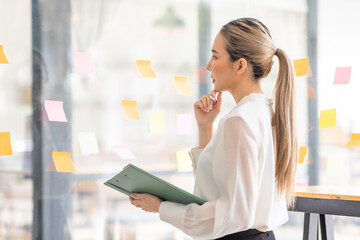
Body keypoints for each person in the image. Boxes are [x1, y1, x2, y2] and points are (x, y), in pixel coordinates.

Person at [129, 17, 298, 240]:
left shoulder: (239, 121)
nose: (208, 65)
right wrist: (206, 127)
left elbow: (233, 216)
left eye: (215, 56)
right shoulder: (267, 113)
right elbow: (219, 187)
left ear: (240, 65)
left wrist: (162, 208)